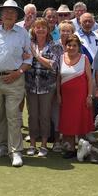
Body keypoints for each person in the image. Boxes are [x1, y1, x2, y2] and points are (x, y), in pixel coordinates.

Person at [0, 0, 32, 167]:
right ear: (1, 15)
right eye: (6, 12)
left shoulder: (23, 32)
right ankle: (2, 146)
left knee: (13, 115)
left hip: (15, 79)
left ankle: (15, 151)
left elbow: (28, 58)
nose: (9, 14)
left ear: (17, 15)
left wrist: (18, 73)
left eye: (12, 12)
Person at [25, 18, 62, 157]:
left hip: (47, 87)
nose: (40, 30)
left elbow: (54, 65)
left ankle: (44, 145)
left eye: (43, 27)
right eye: (37, 27)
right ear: (33, 30)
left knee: (45, 116)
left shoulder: (55, 46)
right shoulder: (28, 44)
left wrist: (36, 56)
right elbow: (23, 61)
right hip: (30, 86)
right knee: (32, 116)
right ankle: (33, 144)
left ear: (48, 30)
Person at [58, 35, 94, 159]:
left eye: (74, 45)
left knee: (81, 121)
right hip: (66, 97)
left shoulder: (84, 58)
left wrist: (89, 96)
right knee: (68, 122)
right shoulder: (61, 58)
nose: (71, 48)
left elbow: (90, 79)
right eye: (69, 45)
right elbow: (58, 78)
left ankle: (83, 149)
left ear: (79, 47)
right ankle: (70, 148)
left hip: (81, 97)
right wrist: (58, 94)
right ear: (65, 46)